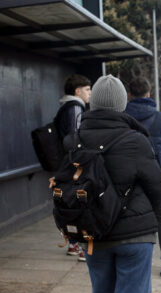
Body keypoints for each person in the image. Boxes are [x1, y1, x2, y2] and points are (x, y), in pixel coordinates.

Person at [64, 75, 161, 293]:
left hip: (93, 234)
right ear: (123, 104)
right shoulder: (135, 139)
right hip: (134, 236)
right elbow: (157, 187)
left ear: (94, 102)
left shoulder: (75, 138)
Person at [125, 77, 161, 277]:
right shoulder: (160, 118)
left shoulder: (123, 117)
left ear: (129, 95)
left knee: (128, 215)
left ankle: (130, 261)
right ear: (149, 94)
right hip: (156, 177)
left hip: (128, 177)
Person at [57, 74, 91, 261]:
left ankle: (73, 243)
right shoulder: (76, 107)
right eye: (87, 89)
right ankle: (77, 244)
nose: (90, 93)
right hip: (74, 164)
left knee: (70, 203)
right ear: (77, 91)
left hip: (67, 162)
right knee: (76, 203)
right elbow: (75, 136)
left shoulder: (66, 106)